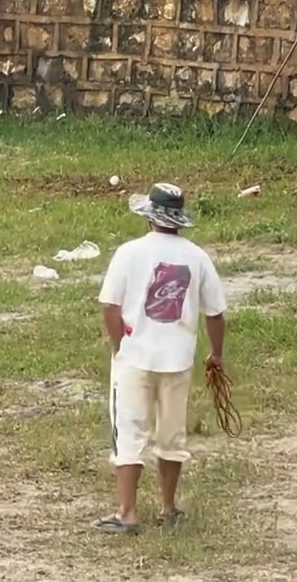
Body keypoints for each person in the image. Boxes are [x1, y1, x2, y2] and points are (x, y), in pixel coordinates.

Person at [95, 183, 228, 536]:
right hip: (178, 360)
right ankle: (168, 508)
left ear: (150, 217)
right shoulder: (197, 257)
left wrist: (117, 346)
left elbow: (110, 306)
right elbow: (215, 313)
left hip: (135, 357)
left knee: (129, 432)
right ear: (179, 220)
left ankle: (128, 513)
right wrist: (216, 354)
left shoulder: (129, 252)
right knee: (171, 435)